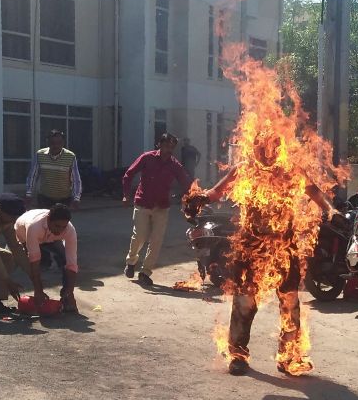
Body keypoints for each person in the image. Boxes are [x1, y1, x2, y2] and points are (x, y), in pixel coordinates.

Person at [184, 162, 336, 377]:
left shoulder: (291, 168)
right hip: (250, 244)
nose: (265, 149)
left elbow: (315, 193)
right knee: (245, 301)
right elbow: (218, 191)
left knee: (290, 300)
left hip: (284, 244)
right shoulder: (244, 167)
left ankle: (289, 355)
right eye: (260, 146)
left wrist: (332, 210)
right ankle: (238, 355)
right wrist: (200, 199)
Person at [123, 132, 192, 286]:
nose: (169, 149)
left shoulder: (174, 165)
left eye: (172, 147)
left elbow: (186, 182)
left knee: (156, 240)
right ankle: (131, 262)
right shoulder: (147, 158)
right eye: (166, 145)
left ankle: (145, 272)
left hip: (161, 207)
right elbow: (129, 174)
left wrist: (195, 196)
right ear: (159, 145)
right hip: (143, 203)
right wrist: (126, 195)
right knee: (139, 236)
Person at [25, 129, 83, 270]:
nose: (55, 146)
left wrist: (76, 197)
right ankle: (44, 259)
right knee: (42, 229)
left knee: (60, 229)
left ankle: (62, 259)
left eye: (58, 143)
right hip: (45, 198)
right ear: (48, 142)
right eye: (52, 143)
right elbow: (33, 175)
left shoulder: (70, 156)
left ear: (63, 143)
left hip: (64, 199)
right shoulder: (40, 155)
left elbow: (76, 179)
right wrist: (28, 194)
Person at [14, 204, 79, 313]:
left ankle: (66, 296)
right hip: (23, 237)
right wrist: (38, 290)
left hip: (49, 238)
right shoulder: (34, 227)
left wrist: (70, 292)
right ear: (48, 219)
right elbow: (34, 261)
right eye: (57, 226)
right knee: (13, 263)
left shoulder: (69, 229)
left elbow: (72, 263)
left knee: (64, 259)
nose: (60, 230)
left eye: (63, 227)